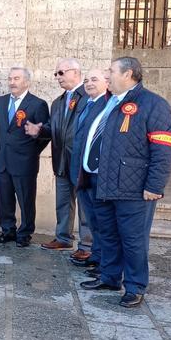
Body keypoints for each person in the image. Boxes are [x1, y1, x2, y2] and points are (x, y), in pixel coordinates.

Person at [79, 57, 171, 309]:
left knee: (133, 239)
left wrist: (155, 186)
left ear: (128, 74)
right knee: (108, 234)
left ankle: (135, 286)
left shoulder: (153, 104)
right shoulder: (112, 101)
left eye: (111, 71)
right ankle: (110, 277)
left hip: (133, 188)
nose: (107, 76)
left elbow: (162, 150)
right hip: (104, 183)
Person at [26, 58, 91, 254]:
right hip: (61, 159)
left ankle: (87, 244)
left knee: (85, 205)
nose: (57, 77)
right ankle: (63, 237)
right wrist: (40, 130)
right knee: (63, 201)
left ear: (75, 72)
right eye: (56, 74)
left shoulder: (89, 97)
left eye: (61, 73)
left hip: (80, 161)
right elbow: (56, 130)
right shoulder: (58, 102)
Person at [0, 67, 50, 247]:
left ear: (26, 81)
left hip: (24, 161)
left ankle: (25, 233)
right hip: (3, 160)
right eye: (10, 78)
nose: (12, 82)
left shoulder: (37, 104)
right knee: (4, 198)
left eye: (16, 78)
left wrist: (31, 152)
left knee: (25, 199)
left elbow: (44, 134)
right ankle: (7, 230)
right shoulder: (1, 102)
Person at [68, 68, 110, 277]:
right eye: (86, 80)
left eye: (94, 79)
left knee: (102, 222)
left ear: (107, 82)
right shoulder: (87, 103)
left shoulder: (108, 104)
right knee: (93, 220)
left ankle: (103, 262)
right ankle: (96, 257)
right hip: (83, 171)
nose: (89, 83)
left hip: (97, 174)